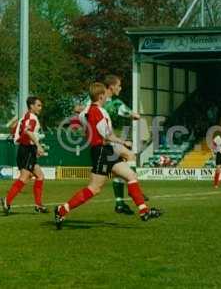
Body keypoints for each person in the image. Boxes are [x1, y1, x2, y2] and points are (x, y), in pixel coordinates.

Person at [54, 83, 161, 230]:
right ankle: (62, 210)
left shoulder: (85, 111)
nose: (106, 97)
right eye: (105, 95)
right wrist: (124, 142)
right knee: (94, 188)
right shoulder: (98, 112)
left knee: (131, 175)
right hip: (101, 151)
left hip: (106, 151)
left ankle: (144, 211)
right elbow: (107, 135)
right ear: (100, 96)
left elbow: (78, 121)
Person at [78, 74, 144, 215]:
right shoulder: (114, 103)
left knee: (122, 164)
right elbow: (131, 114)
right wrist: (135, 115)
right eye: (119, 85)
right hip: (106, 142)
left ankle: (121, 201)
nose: (120, 88)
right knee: (130, 155)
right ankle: (130, 192)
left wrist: (86, 129)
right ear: (112, 87)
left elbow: (80, 112)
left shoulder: (92, 103)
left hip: (99, 143)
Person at [1, 97, 48, 215]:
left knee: (40, 176)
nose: (40, 108)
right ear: (31, 106)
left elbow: (19, 131)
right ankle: (7, 200)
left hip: (26, 149)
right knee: (24, 177)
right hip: (27, 149)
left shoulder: (26, 117)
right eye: (38, 105)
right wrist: (38, 145)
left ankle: (38, 205)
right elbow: (27, 131)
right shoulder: (31, 118)